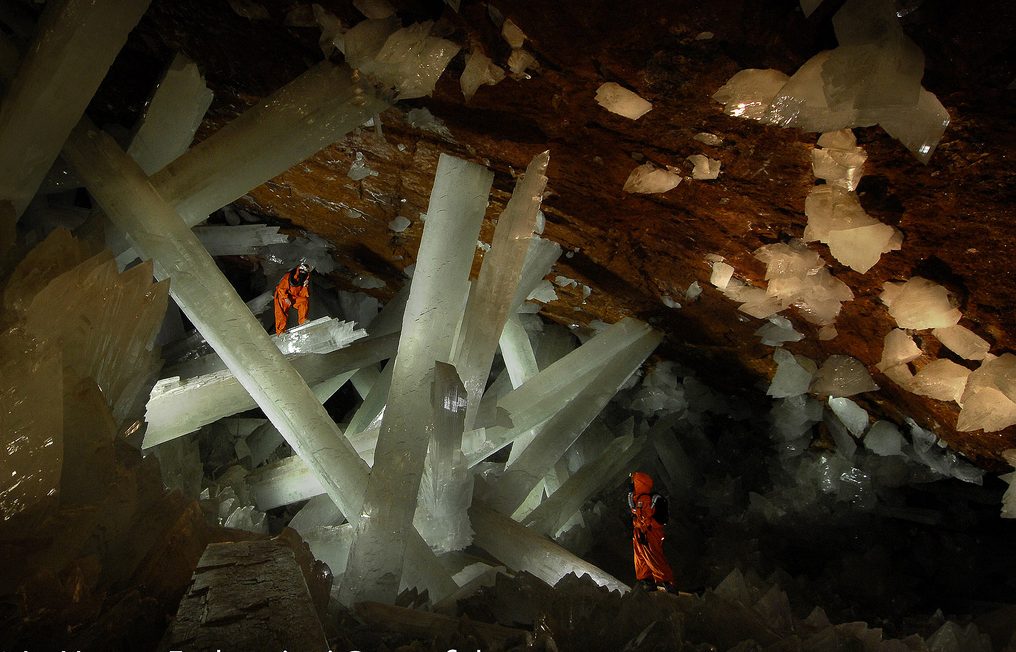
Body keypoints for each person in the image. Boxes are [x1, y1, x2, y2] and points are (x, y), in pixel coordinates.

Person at [627, 471, 676, 593]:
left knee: (654, 558)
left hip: (650, 533)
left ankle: (667, 583)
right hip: (640, 533)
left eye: (633, 481)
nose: (631, 484)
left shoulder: (650, 499)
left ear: (639, 482)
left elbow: (655, 519)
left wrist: (645, 525)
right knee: (640, 559)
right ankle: (648, 582)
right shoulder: (635, 498)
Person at [273, 261, 311, 335]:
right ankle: (280, 331)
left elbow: (303, 295)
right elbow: (281, 288)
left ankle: (303, 320)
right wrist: (285, 298)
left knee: (303, 301)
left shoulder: (304, 279)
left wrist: (305, 286)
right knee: (281, 313)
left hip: (293, 297)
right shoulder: (288, 276)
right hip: (282, 296)